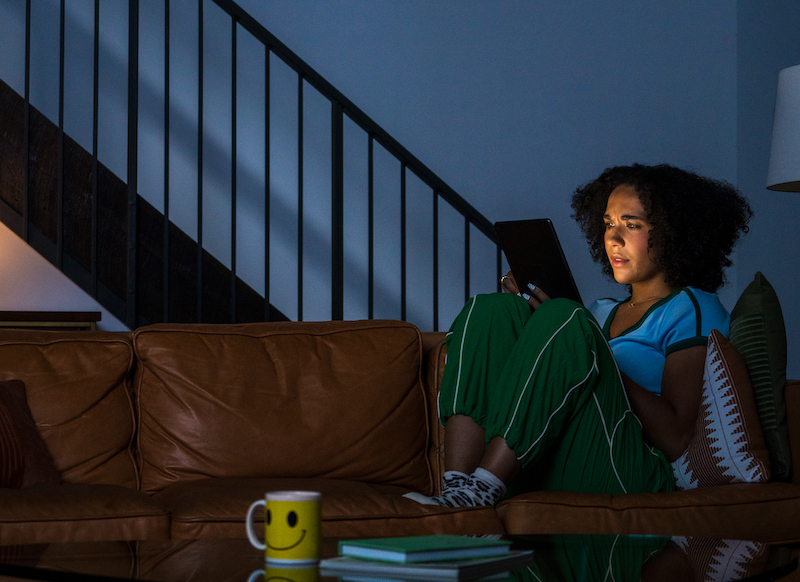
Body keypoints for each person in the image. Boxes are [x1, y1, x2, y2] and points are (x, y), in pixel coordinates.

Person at [404, 163, 753, 507]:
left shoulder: (692, 307)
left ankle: (484, 487)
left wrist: (593, 354)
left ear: (674, 233)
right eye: (608, 224)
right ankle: (460, 493)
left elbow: (676, 438)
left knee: (563, 314)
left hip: (630, 469)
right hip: (557, 457)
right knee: (493, 309)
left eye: (631, 225)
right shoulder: (597, 311)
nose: (613, 239)